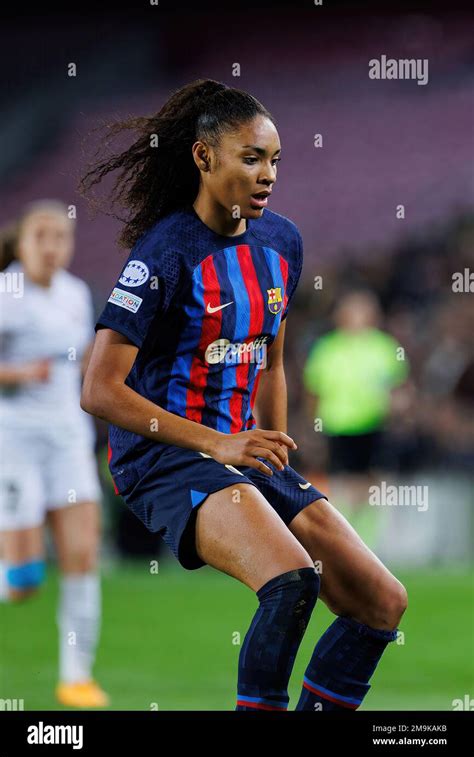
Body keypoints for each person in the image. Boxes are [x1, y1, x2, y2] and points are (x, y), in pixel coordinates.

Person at [80, 79, 407, 711]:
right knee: (291, 581)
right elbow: (98, 389)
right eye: (251, 158)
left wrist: (274, 447)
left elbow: (272, 360)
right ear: (204, 158)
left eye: (275, 160)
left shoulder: (281, 241)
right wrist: (219, 442)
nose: (268, 175)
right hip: (166, 459)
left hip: (242, 450)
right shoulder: (163, 254)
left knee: (381, 602)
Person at [0, 200, 109, 708]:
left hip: (68, 440)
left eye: (59, 237)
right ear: (21, 243)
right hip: (16, 443)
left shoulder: (75, 294)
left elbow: (84, 365)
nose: (50, 246)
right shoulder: (7, 294)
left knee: (82, 556)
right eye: (40, 236)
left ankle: (76, 677)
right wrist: (20, 374)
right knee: (22, 582)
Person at [303, 290, 409, 540]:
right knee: (344, 481)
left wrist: (399, 410)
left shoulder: (383, 346)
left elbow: (399, 388)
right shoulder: (327, 348)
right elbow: (314, 391)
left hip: (374, 423)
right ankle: (346, 535)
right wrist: (312, 426)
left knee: (373, 480)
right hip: (338, 424)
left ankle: (366, 538)